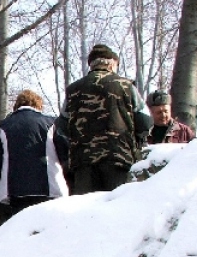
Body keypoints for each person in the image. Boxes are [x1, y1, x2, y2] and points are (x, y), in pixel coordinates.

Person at [65, 44, 151, 194]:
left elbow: (61, 125)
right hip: (118, 159)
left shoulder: (73, 89)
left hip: (83, 163)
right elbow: (145, 121)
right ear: (112, 63)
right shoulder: (126, 85)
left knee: (85, 213)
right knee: (117, 208)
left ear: (91, 65)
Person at [0, 89, 68, 221]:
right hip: (49, 190)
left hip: (14, 193)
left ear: (16, 105)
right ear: (38, 105)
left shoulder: (2, 127)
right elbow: (65, 156)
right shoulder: (52, 123)